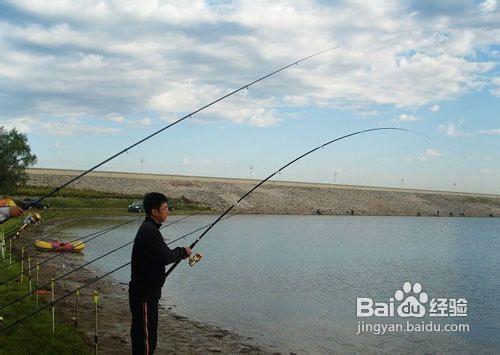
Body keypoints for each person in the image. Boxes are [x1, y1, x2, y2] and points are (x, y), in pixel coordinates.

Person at [129, 192, 191, 355]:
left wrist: (179, 252)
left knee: (144, 334)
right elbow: (165, 256)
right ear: (154, 212)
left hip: (146, 293)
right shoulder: (149, 231)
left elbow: (161, 255)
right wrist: (182, 252)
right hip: (144, 294)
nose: (167, 211)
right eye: (165, 208)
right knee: (146, 338)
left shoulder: (150, 229)